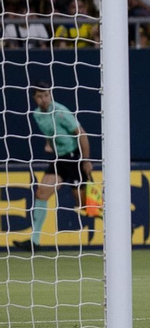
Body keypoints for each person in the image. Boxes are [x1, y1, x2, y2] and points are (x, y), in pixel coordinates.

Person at [28, 81, 92, 246]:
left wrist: (85, 161)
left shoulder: (61, 112)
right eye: (40, 96)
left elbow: (82, 135)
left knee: (84, 203)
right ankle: (34, 241)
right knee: (41, 193)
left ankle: (124, 225)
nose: (44, 99)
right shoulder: (37, 114)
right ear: (34, 98)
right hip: (59, 158)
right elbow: (50, 132)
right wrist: (50, 143)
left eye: (46, 95)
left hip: (73, 158)